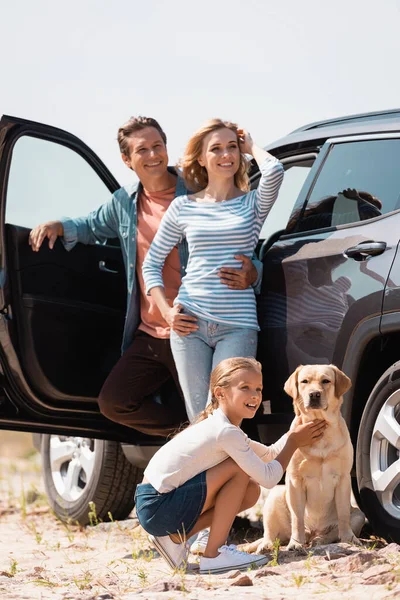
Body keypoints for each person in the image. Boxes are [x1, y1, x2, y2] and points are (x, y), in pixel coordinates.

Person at [28, 116, 262, 439]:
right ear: (127, 160)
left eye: (158, 146)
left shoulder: (196, 191)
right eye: (143, 150)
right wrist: (61, 226)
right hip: (153, 330)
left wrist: (254, 272)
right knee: (115, 402)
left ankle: (215, 451)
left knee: (222, 409)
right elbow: (91, 226)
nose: (153, 155)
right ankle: (188, 437)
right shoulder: (124, 204)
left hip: (197, 324)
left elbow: (242, 241)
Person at [142, 119, 284, 422]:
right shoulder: (183, 207)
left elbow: (274, 171)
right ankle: (210, 472)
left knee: (228, 415)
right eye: (216, 149)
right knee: (201, 420)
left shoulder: (251, 204)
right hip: (189, 325)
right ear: (201, 159)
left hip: (237, 325)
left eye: (231, 147)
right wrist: (167, 312)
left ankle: (231, 471)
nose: (226, 155)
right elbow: (151, 263)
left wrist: (249, 145)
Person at [135, 357, 327, 575]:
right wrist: (293, 442)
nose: (254, 395)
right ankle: (214, 554)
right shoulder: (224, 432)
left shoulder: (226, 428)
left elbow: (270, 453)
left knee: (250, 491)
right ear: (220, 393)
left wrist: (295, 429)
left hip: (156, 507)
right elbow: (269, 478)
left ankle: (176, 538)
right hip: (157, 507)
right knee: (238, 470)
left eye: (258, 389)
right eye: (245, 387)